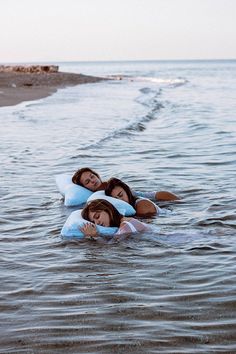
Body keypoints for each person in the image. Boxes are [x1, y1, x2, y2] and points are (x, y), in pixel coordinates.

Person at [72, 167, 181, 201]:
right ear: (84, 188)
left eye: (92, 176)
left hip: (143, 198)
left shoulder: (109, 185)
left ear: (97, 175)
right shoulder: (93, 197)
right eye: (87, 182)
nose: (92, 181)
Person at [80, 199, 150, 239]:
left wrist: (95, 236)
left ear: (107, 209)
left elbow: (113, 249)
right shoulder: (123, 223)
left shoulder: (126, 225)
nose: (97, 223)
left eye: (97, 216)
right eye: (93, 222)